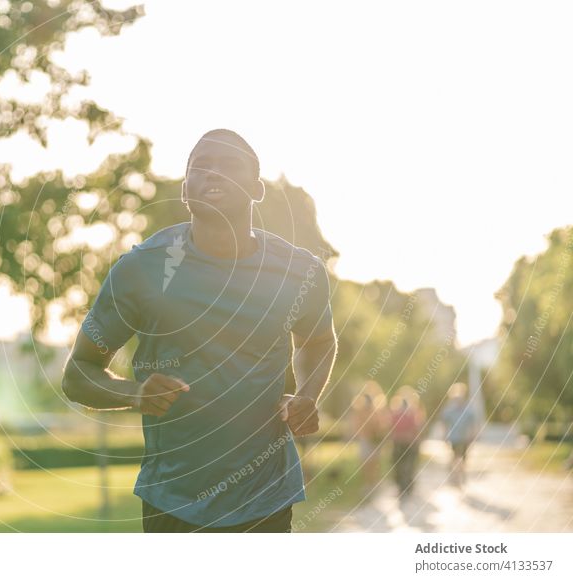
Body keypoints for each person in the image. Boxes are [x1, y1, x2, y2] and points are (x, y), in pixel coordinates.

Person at [62, 129, 337, 532]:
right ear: (185, 189)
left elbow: (319, 340)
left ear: (256, 189)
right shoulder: (140, 271)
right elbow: (77, 375)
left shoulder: (300, 272)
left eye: (229, 165)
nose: (214, 174)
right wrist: (134, 393)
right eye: (201, 166)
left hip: (266, 499)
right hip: (173, 504)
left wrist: (308, 395)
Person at [349, 381, 389, 493]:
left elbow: (381, 424)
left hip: (373, 440)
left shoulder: (375, 410)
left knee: (374, 461)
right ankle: (369, 483)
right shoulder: (360, 411)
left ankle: (373, 482)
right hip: (366, 439)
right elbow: (357, 425)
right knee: (366, 461)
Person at [388, 385, 425, 497]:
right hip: (400, 442)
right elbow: (390, 426)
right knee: (400, 465)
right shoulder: (396, 412)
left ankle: (407, 487)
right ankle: (402, 486)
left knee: (408, 466)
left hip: (409, 443)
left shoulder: (414, 412)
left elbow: (418, 427)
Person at [441, 382, 479, 487]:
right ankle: (456, 476)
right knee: (455, 457)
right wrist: (444, 435)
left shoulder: (468, 410)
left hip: (465, 438)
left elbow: (473, 423)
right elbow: (444, 423)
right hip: (454, 438)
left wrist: (473, 434)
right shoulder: (449, 410)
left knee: (462, 458)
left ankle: (459, 473)